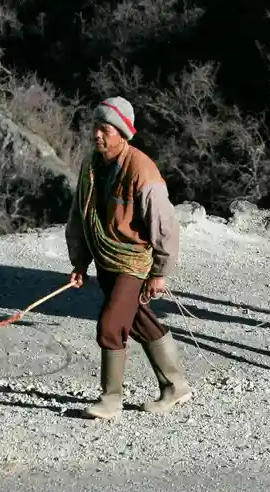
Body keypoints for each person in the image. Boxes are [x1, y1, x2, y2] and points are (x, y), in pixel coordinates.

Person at [64, 96, 191, 420]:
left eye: (105, 129)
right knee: (137, 319)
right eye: (96, 128)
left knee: (110, 325)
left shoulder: (142, 170)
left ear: (122, 133)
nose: (97, 135)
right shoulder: (92, 166)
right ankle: (175, 386)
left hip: (132, 263)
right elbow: (80, 215)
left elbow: (164, 225)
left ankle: (111, 400)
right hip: (105, 259)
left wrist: (160, 271)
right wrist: (79, 262)